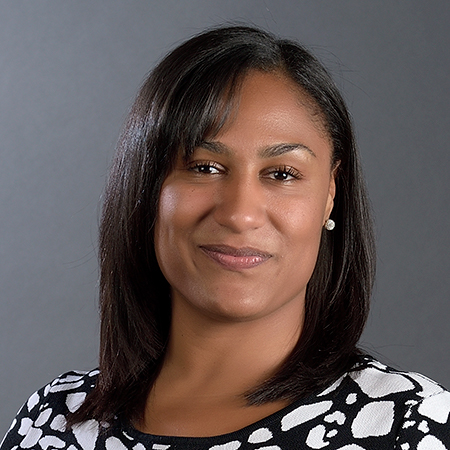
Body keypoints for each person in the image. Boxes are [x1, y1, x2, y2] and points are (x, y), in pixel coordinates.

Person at [2, 25, 450, 450]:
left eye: (281, 173)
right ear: (148, 189)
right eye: (204, 167)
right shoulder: (56, 421)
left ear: (330, 196)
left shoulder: (408, 426)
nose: (240, 214)